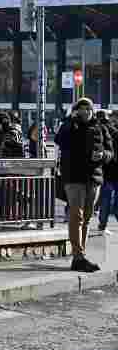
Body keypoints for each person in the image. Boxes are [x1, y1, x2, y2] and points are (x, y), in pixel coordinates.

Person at [55, 97, 114, 272]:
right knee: (76, 216)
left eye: (88, 109)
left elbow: (111, 152)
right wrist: (70, 119)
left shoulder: (100, 127)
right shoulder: (70, 126)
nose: (85, 112)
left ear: (92, 111)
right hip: (74, 178)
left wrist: (102, 155)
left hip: (93, 178)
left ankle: (81, 256)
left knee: (87, 217)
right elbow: (60, 139)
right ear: (76, 111)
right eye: (81, 109)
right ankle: (77, 255)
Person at [97, 110, 118, 235]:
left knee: (105, 198)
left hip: (105, 170)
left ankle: (102, 224)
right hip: (113, 170)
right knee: (111, 200)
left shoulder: (98, 130)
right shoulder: (114, 131)